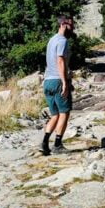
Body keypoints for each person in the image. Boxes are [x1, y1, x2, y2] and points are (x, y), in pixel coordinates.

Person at [41, 15, 74, 155]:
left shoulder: (51, 40)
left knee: (54, 115)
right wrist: (65, 82)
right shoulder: (62, 41)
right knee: (64, 113)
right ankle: (57, 145)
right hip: (57, 81)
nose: (73, 28)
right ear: (64, 25)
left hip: (47, 81)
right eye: (71, 25)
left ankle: (44, 143)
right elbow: (60, 61)